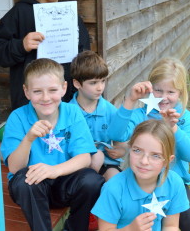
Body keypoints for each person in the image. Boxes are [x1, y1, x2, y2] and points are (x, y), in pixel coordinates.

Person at [0, 58, 105, 231]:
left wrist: (54, 170)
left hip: (62, 184)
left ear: (64, 88)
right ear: (26, 92)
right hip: (31, 188)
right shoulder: (18, 117)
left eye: (52, 90)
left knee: (92, 180)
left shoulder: (72, 113)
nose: (46, 98)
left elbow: (84, 158)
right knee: (24, 182)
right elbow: (14, 167)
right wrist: (28, 139)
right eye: (37, 91)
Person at [0, 0, 90, 110]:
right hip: (30, 103)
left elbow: (84, 55)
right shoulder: (20, 12)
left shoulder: (71, 15)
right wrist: (21, 45)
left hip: (66, 100)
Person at [109, 57, 190, 231]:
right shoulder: (140, 115)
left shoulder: (184, 118)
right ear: (150, 88)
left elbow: (188, 154)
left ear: (181, 94)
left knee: (185, 222)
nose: (164, 97)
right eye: (158, 90)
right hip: (138, 183)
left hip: (174, 186)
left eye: (171, 92)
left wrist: (173, 128)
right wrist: (129, 101)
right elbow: (115, 134)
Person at [91, 119, 189, 231]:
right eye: (137, 150)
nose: (144, 161)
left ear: (167, 160)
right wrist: (130, 229)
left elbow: (170, 226)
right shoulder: (113, 188)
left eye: (156, 155)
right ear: (130, 149)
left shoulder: (174, 183)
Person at [70, 50, 127, 181]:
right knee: (95, 161)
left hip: (107, 164)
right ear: (77, 83)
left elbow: (120, 142)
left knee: (116, 181)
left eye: (102, 81)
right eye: (93, 83)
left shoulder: (110, 110)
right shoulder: (68, 112)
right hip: (78, 165)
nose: (100, 87)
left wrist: (120, 151)